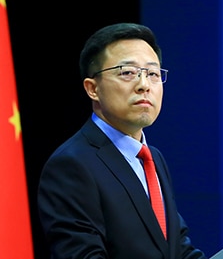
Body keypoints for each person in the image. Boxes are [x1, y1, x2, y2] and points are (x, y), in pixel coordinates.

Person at [37, 23, 208, 259]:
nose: (143, 85)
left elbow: (177, 249)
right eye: (127, 72)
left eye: (153, 74)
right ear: (92, 89)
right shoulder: (71, 165)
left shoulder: (153, 158)